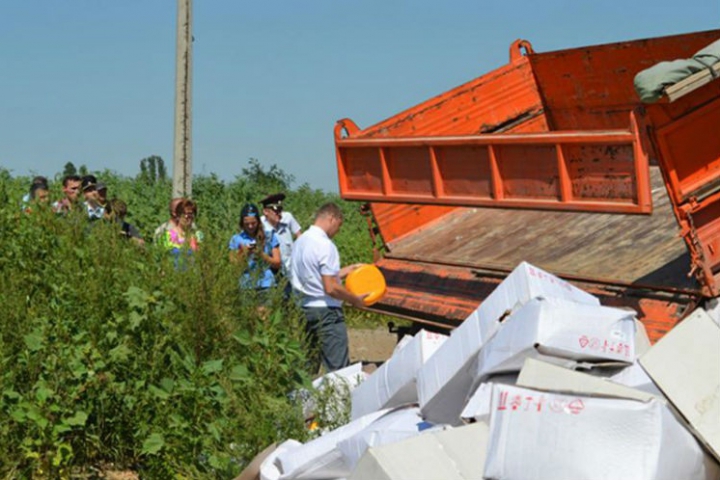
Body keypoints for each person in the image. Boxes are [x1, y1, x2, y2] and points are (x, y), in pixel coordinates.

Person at [290, 202, 366, 373]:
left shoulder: (300, 242)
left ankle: (299, 399)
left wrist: (350, 269)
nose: (337, 232)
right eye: (339, 226)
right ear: (332, 219)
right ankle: (341, 400)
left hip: (305, 310)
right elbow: (330, 287)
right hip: (327, 314)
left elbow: (315, 276)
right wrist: (355, 300)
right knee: (338, 370)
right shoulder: (325, 245)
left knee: (306, 367)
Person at [229, 203, 281, 296]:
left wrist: (261, 254)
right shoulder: (235, 239)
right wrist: (245, 252)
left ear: (258, 221)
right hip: (246, 285)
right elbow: (234, 265)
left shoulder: (269, 236)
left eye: (253, 223)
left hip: (266, 284)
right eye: (247, 224)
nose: (250, 226)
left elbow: (277, 263)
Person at [260, 192, 302, 299]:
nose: (279, 214)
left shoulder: (285, 224)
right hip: (270, 277)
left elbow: (300, 237)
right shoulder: (260, 228)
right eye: (276, 210)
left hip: (289, 275)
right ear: (266, 212)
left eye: (280, 210)